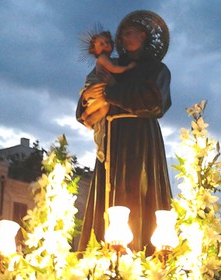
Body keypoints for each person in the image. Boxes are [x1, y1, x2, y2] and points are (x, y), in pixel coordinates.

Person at [76, 10, 172, 255]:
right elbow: (82, 110)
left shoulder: (156, 69)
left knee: (138, 190)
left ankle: (143, 252)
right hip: (111, 140)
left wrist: (111, 94)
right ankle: (102, 254)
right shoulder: (110, 68)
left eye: (128, 32)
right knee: (108, 193)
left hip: (140, 141)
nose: (123, 39)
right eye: (121, 35)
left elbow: (153, 102)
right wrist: (92, 99)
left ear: (142, 34)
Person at [81, 29, 136, 162]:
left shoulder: (116, 60)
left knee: (104, 106)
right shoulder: (105, 60)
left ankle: (88, 118)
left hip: (128, 127)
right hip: (101, 93)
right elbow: (113, 69)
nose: (106, 45)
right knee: (104, 102)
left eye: (107, 42)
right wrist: (86, 95)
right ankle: (86, 116)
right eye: (101, 44)